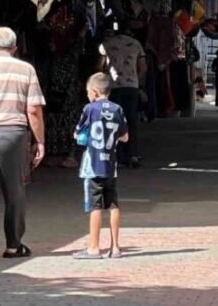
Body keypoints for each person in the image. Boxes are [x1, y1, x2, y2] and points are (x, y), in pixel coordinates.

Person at [0, 27, 45, 260]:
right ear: (15, 48)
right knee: (15, 190)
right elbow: (33, 110)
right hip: (13, 134)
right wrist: (40, 141)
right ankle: (13, 245)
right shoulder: (26, 69)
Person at [72, 73, 129, 260]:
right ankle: (116, 247)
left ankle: (94, 247)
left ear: (95, 92)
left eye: (88, 91)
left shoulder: (90, 109)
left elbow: (78, 134)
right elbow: (125, 137)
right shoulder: (117, 109)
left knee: (95, 206)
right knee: (113, 204)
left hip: (93, 165)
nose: (87, 95)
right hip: (110, 165)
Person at [99, 24, 146, 168]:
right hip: (131, 88)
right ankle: (133, 155)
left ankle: (117, 157)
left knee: (114, 121)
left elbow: (99, 67)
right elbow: (143, 68)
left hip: (113, 88)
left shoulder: (106, 44)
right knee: (131, 121)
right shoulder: (136, 44)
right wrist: (137, 82)